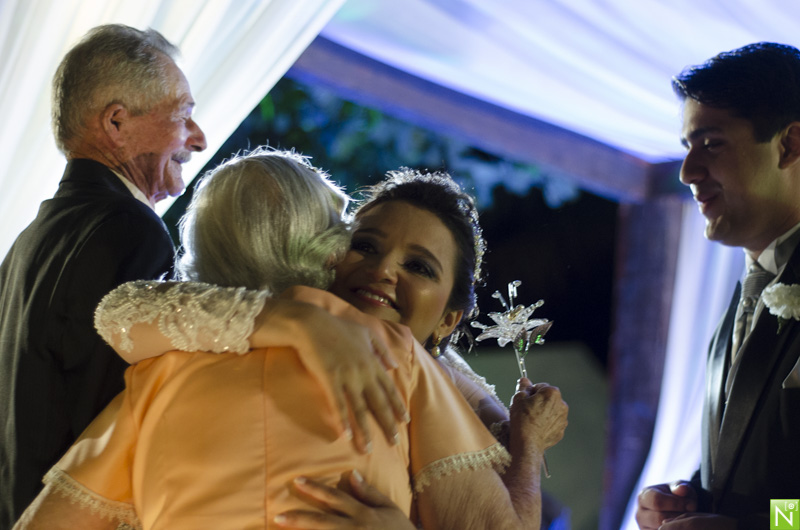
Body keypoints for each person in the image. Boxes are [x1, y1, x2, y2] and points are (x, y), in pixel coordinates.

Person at [15, 150, 567, 529]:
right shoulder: (395, 357)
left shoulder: (158, 370)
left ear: (451, 318)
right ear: (327, 250)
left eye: (417, 266)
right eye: (364, 245)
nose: (381, 273)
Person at [0, 23, 207, 528]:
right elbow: (116, 417)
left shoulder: (31, 236)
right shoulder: (130, 230)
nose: (199, 140)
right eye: (184, 116)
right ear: (116, 122)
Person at [636, 42, 800, 529]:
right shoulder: (749, 294)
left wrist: (753, 529)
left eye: (711, 144)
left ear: (789, 145)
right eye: (688, 148)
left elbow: (786, 510)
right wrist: (684, 501)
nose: (688, 172)